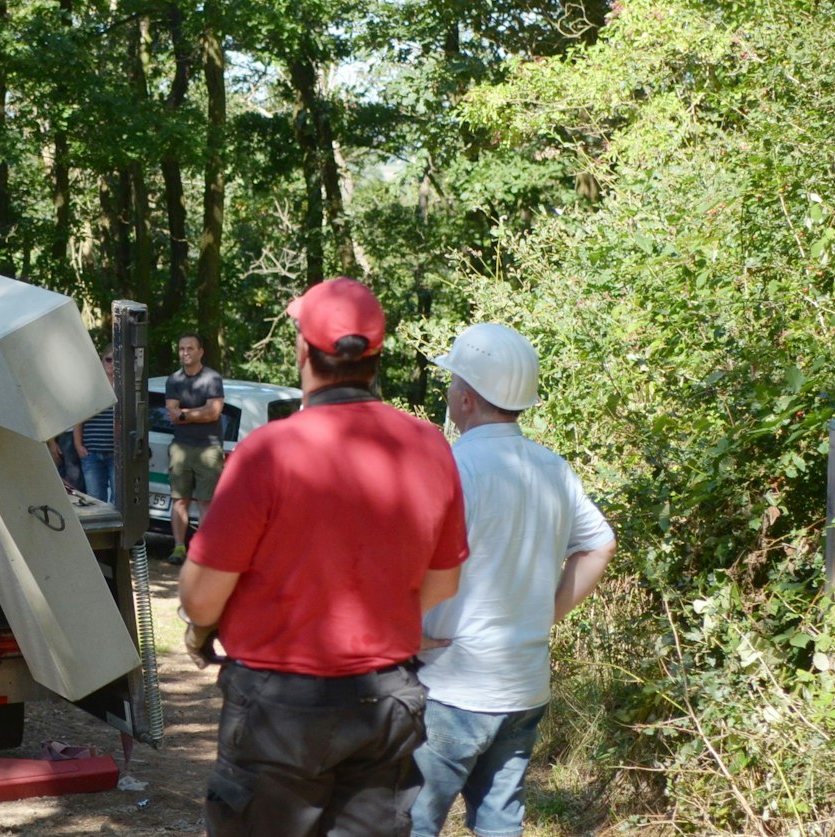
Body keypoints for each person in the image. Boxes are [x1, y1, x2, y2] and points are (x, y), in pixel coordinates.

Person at [179, 278, 469, 837]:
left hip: (278, 709)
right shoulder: (429, 445)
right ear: (376, 357)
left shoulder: (270, 452)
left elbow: (199, 595)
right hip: (385, 701)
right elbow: (442, 582)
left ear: (303, 353)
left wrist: (204, 630)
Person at [409, 324, 616, 837]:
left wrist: (401, 629)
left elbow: (412, 562)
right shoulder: (553, 468)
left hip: (451, 683)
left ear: (466, 396)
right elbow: (600, 543)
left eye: (452, 380)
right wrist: (545, 614)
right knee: (501, 821)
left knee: (411, 820)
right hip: (522, 684)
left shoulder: (452, 467)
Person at [164, 332, 225, 564]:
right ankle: (179, 548)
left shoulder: (212, 379)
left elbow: (214, 412)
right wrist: (198, 413)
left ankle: (204, 549)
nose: (185, 353)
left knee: (206, 501)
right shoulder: (174, 380)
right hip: (181, 447)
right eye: (181, 349)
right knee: (180, 499)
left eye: (190, 348)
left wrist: (185, 414)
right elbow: (172, 414)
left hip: (208, 447)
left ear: (200, 351)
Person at [75, 350, 118, 504]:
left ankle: (116, 529)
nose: (112, 364)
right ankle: (102, 529)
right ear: (101, 361)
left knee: (118, 500)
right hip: (91, 452)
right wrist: (78, 445)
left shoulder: (126, 388)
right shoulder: (90, 387)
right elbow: (79, 418)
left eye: (116, 360)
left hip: (117, 453)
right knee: (94, 500)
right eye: (108, 359)